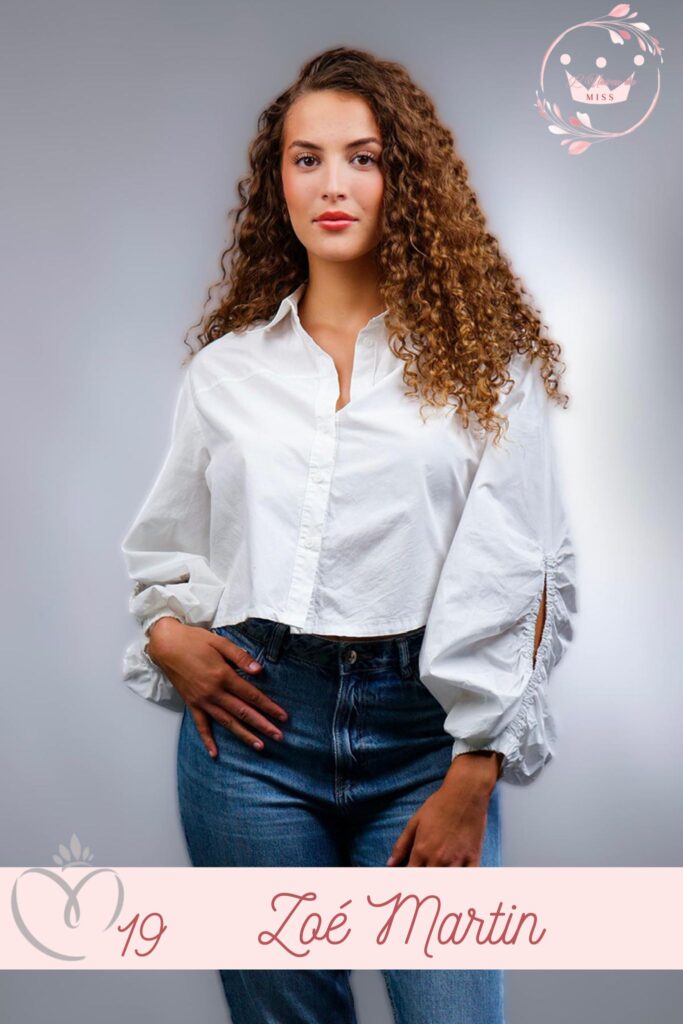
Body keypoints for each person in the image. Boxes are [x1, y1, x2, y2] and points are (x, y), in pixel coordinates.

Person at [120, 45, 578, 1024]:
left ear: (403, 181)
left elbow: (527, 572)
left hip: (424, 741)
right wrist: (165, 633)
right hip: (253, 734)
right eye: (307, 158)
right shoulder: (225, 373)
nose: (332, 184)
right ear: (277, 182)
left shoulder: (483, 368)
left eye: (362, 158)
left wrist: (473, 770)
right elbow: (169, 545)